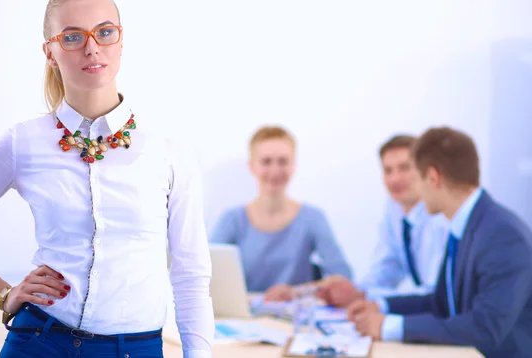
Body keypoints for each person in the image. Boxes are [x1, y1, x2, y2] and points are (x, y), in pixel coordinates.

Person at [0, 1, 214, 357]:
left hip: (135, 348)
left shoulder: (168, 150)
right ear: (50, 51)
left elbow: (190, 276)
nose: (92, 47)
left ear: (121, 41)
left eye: (105, 32)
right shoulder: (23, 142)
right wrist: (2, 293)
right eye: (72, 37)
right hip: (39, 340)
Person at [348, 127, 532, 358]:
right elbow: (441, 303)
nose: (414, 189)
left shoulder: (503, 236)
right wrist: (383, 307)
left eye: (414, 177)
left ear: (433, 178)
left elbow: (485, 328)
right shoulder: (467, 226)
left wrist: (389, 327)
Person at [211, 125, 352, 302]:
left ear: (294, 165)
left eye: (283, 161)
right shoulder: (232, 220)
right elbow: (205, 276)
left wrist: (297, 292)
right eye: (266, 162)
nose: (275, 170)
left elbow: (343, 278)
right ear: (252, 166)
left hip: (295, 319)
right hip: (244, 320)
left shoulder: (313, 218)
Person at [317, 135, 448, 307]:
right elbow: (388, 266)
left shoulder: (440, 218)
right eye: (388, 170)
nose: (395, 179)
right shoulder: (394, 207)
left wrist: (371, 299)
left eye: (404, 168)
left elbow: (434, 293)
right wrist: (357, 291)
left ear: (426, 171)